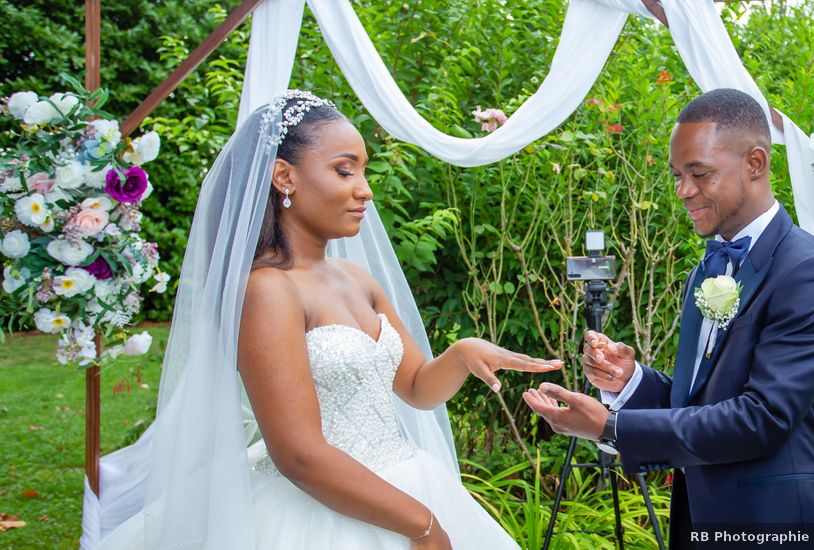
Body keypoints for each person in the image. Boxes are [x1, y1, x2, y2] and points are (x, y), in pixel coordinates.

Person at [86, 91, 561, 550]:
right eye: (343, 170)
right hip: (323, 509)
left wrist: (461, 354)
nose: (365, 189)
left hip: (404, 477)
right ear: (283, 176)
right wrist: (423, 525)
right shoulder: (268, 290)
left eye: (363, 170)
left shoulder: (356, 278)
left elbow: (417, 388)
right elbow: (298, 454)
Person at [523, 89, 814, 549]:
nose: (683, 191)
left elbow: (762, 418)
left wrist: (609, 427)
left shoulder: (810, 273)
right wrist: (631, 381)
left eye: (699, 173)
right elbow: (703, 399)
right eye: (678, 175)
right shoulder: (707, 268)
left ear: (755, 163)